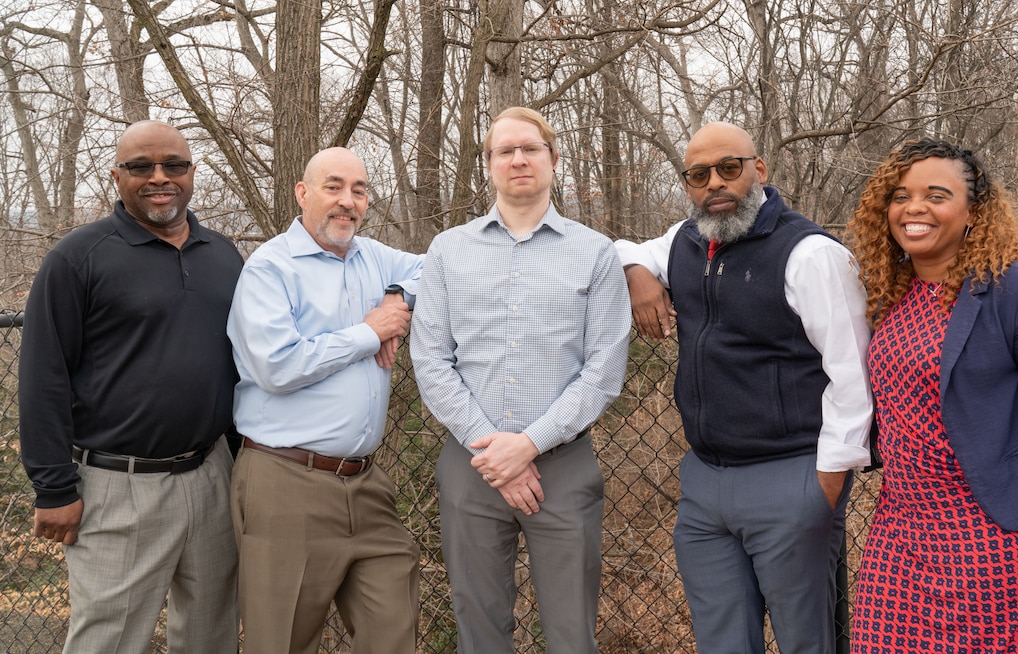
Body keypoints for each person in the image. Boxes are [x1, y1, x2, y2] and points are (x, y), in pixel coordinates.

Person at [614, 121, 873, 654]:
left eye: (729, 168)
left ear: (759, 170)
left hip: (792, 475)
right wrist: (638, 273)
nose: (715, 184)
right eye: (699, 174)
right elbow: (627, 249)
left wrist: (821, 488)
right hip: (705, 483)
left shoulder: (810, 254)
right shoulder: (688, 240)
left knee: (809, 641)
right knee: (723, 641)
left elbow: (854, 375)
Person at [846, 138, 1018, 652]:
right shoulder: (890, 295)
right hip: (899, 530)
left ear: (974, 212)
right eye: (900, 195)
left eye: (936, 195)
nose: (913, 208)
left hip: (987, 538)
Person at [410, 106, 631, 653]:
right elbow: (432, 362)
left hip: (564, 464)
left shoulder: (595, 253)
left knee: (572, 635)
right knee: (480, 634)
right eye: (504, 150)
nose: (518, 159)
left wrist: (528, 445)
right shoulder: (448, 251)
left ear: (553, 160)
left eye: (530, 148)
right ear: (488, 165)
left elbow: (603, 370)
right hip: (472, 466)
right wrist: (494, 454)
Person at [18, 120, 242, 653]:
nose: (159, 178)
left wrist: (241, 466)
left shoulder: (224, 256)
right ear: (117, 175)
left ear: (192, 173)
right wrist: (53, 487)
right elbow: (43, 375)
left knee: (212, 636)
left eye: (175, 165)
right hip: (118, 487)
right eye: (141, 167)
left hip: (213, 474)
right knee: (109, 642)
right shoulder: (78, 258)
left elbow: (240, 366)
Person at [226, 146, 423, 654]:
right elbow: (278, 367)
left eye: (359, 190)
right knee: (282, 642)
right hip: (286, 482)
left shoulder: (375, 257)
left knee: (393, 631)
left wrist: (398, 295)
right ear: (303, 193)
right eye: (334, 187)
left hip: (367, 485)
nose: (348, 202)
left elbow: (438, 267)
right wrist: (369, 331)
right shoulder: (270, 268)